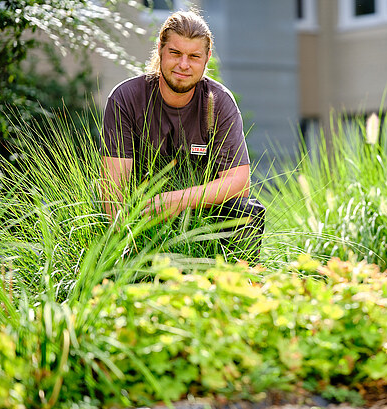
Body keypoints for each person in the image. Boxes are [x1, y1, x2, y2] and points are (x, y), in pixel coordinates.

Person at [99, 9, 265, 263]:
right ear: (160, 50)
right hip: (143, 216)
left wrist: (180, 199)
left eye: (194, 56)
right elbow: (114, 186)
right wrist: (123, 242)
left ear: (207, 58)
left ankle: (237, 287)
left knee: (247, 210)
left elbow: (240, 184)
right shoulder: (126, 98)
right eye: (175, 53)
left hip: (201, 218)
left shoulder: (219, 102)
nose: (183, 65)